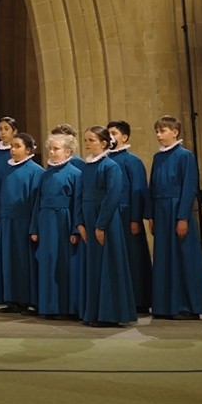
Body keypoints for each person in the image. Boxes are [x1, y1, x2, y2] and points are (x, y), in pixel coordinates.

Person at [147, 115, 202, 320]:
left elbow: (189, 187)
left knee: (183, 258)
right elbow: (152, 187)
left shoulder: (185, 156)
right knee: (164, 258)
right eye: (157, 131)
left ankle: (187, 306)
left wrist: (182, 217)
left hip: (176, 211)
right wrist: (151, 215)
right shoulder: (158, 158)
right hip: (161, 211)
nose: (158, 135)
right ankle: (165, 306)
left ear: (175, 132)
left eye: (163, 130)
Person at [75, 126, 136, 327]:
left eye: (91, 140)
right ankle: (93, 312)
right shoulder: (86, 167)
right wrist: (80, 223)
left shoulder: (110, 167)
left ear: (103, 143)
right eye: (86, 140)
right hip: (89, 219)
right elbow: (80, 196)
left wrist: (100, 225)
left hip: (105, 221)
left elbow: (112, 197)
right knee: (93, 266)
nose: (87, 144)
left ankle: (109, 314)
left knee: (107, 265)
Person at [30, 132, 81, 319]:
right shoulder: (45, 175)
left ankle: (66, 308)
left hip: (64, 222)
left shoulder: (76, 174)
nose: (51, 152)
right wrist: (34, 228)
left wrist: (76, 228)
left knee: (64, 264)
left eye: (56, 149)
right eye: (50, 149)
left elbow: (77, 203)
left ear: (68, 152)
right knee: (47, 262)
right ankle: (48, 306)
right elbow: (38, 202)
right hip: (46, 222)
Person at [0, 131, 42, 313]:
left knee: (24, 262)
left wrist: (33, 226)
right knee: (9, 260)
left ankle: (28, 299)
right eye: (12, 147)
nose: (12, 150)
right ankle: (12, 299)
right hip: (7, 221)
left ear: (28, 150)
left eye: (17, 146)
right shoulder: (8, 169)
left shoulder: (36, 171)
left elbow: (36, 201)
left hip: (24, 222)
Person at [107, 120, 153, 315]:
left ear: (124, 137)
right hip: (112, 216)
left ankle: (139, 300)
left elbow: (138, 190)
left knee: (133, 258)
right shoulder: (105, 160)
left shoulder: (132, 161)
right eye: (108, 133)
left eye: (114, 133)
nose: (110, 137)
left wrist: (135, 219)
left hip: (127, 216)